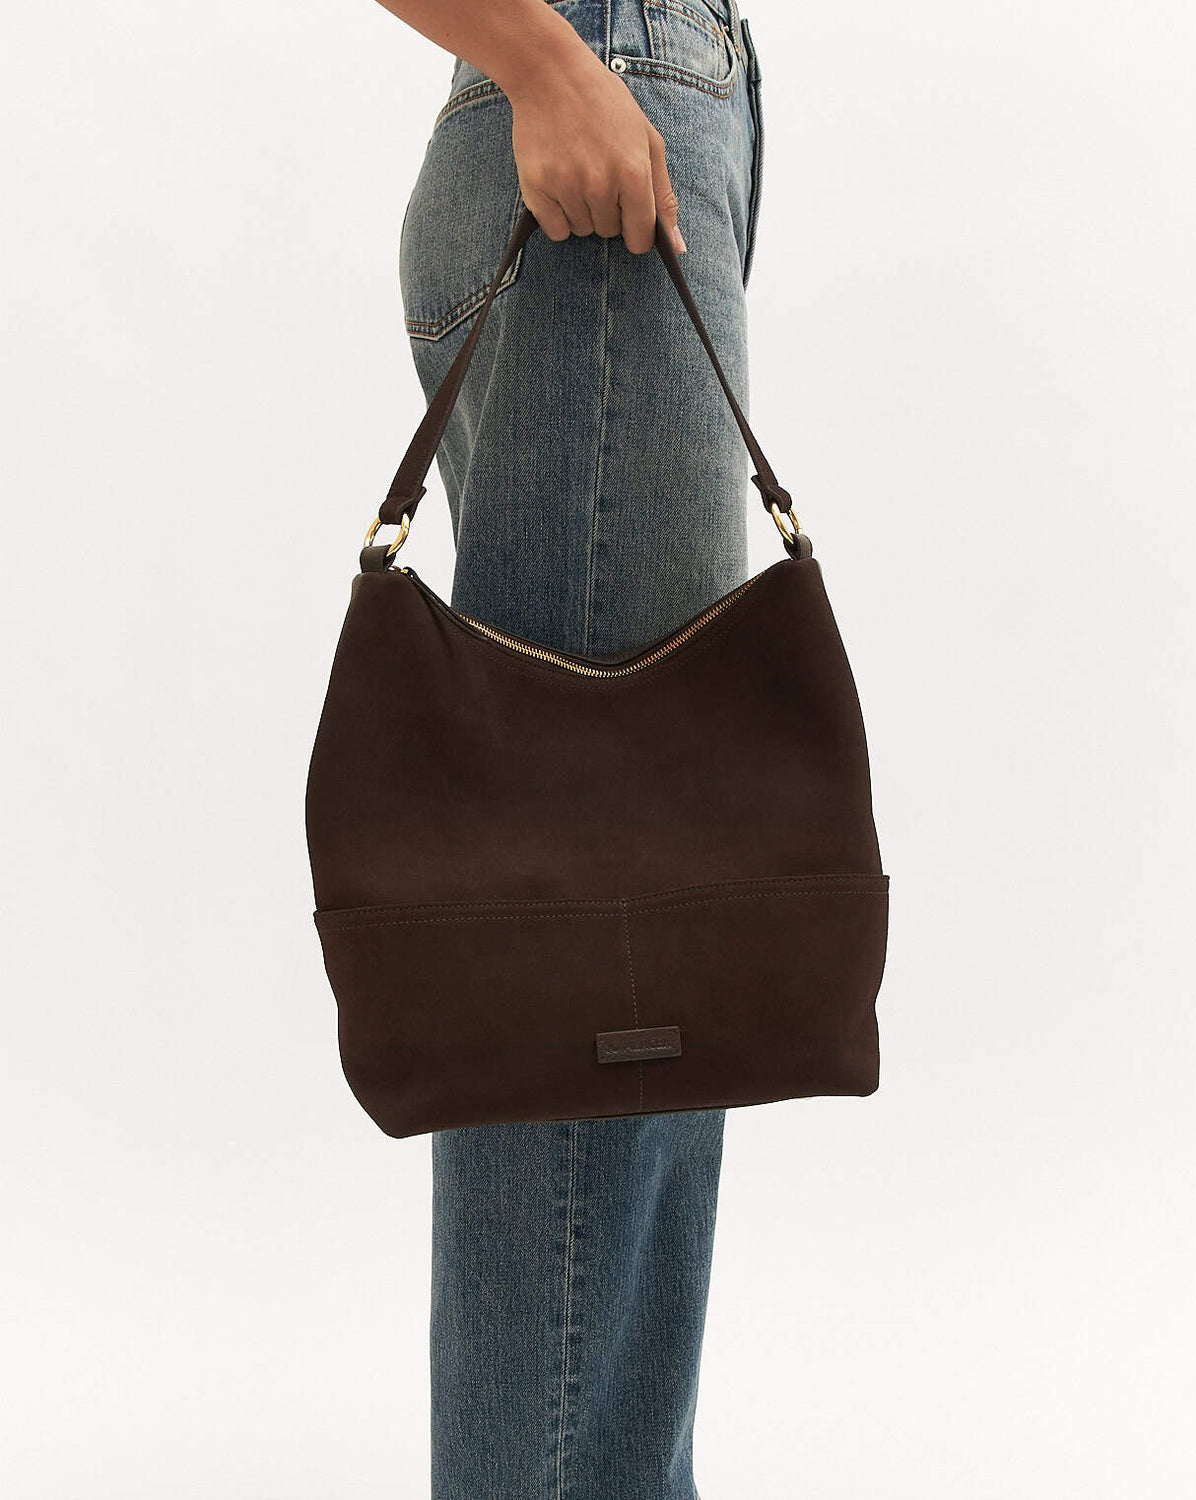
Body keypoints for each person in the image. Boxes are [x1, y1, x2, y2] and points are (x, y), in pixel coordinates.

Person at [373, 1, 765, 1494]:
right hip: (595, 81)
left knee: (641, 979)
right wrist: (548, 62)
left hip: (648, 93)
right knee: (597, 969)